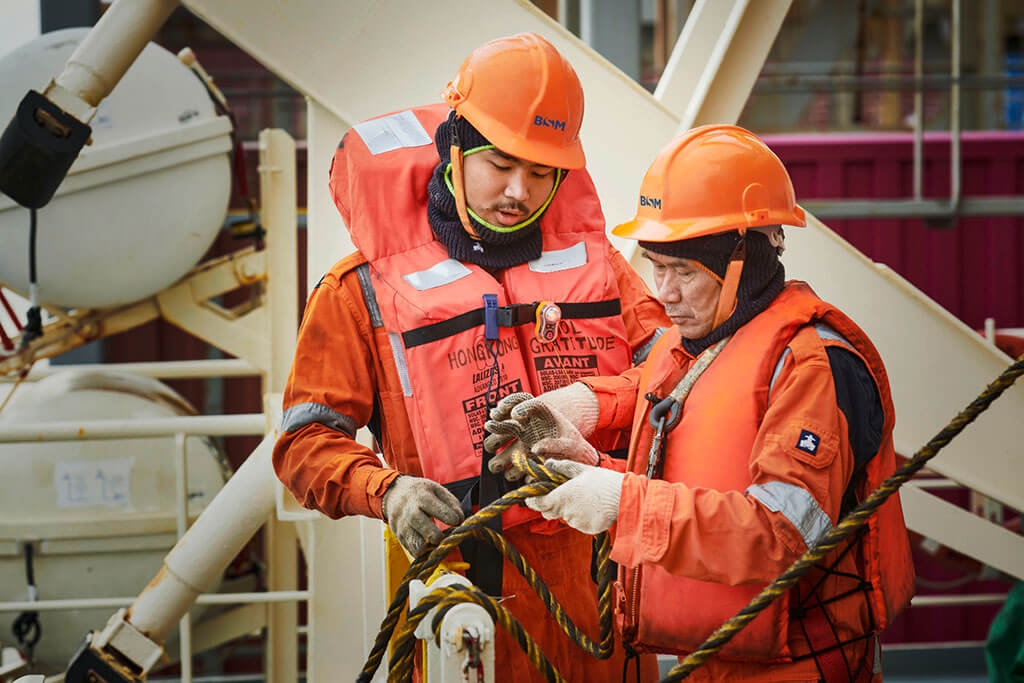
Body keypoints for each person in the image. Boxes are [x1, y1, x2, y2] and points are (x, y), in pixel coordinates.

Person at [272, 32, 667, 681]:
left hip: (608, 599)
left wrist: (588, 405)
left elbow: (677, 379)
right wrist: (387, 491)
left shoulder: (604, 272)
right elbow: (303, 445)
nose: (518, 191)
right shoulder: (359, 292)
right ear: (454, 149)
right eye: (500, 164)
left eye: (541, 172)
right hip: (467, 607)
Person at [486, 124, 917, 681]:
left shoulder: (814, 366)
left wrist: (621, 504)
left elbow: (782, 534)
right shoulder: (691, 346)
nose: (664, 293)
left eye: (684, 271)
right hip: (705, 663)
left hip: (797, 667)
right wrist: (591, 462)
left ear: (742, 261)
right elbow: (686, 479)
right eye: (656, 266)